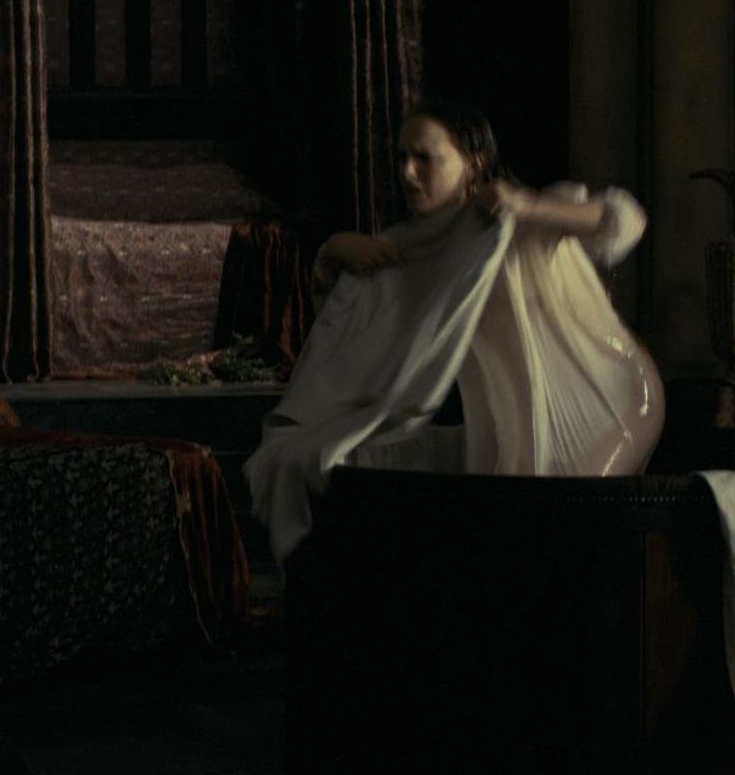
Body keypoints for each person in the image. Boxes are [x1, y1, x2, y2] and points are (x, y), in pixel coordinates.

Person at [244, 99, 663, 562]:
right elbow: (356, 338)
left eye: (424, 157)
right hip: (518, 423)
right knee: (516, 552)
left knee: (567, 532)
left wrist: (528, 205)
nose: (407, 172)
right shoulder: (416, 247)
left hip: (610, 400)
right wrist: (332, 252)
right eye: (402, 157)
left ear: (474, 163)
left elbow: (626, 221)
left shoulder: (519, 220)